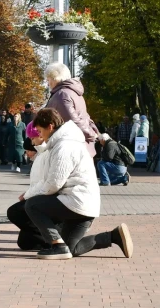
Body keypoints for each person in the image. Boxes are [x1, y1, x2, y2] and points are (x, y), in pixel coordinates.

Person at [9, 108, 133, 260]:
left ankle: (56, 245)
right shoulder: (63, 143)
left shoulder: (64, 146)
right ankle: (114, 236)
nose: (39, 135)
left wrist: (29, 195)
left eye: (40, 130)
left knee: (32, 205)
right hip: (83, 206)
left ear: (50, 126)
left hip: (76, 202)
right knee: (71, 248)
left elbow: (53, 184)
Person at [43, 62, 99, 157]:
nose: (48, 84)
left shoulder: (61, 94)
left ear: (55, 78)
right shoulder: (75, 92)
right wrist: (94, 133)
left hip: (70, 149)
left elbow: (72, 122)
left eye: (48, 80)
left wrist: (92, 134)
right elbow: (86, 118)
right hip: (82, 146)